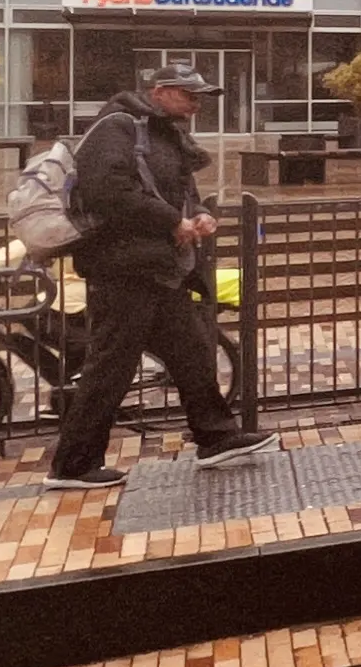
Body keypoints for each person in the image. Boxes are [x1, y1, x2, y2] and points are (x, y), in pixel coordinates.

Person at [46, 62, 269, 490]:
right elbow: (108, 192)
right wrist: (171, 221)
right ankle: (72, 466)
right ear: (161, 91)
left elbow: (183, 192)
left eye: (199, 95)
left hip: (159, 271)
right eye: (189, 93)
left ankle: (217, 438)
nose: (196, 102)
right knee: (110, 367)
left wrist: (199, 214)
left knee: (192, 351)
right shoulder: (118, 128)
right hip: (122, 270)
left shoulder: (167, 135)